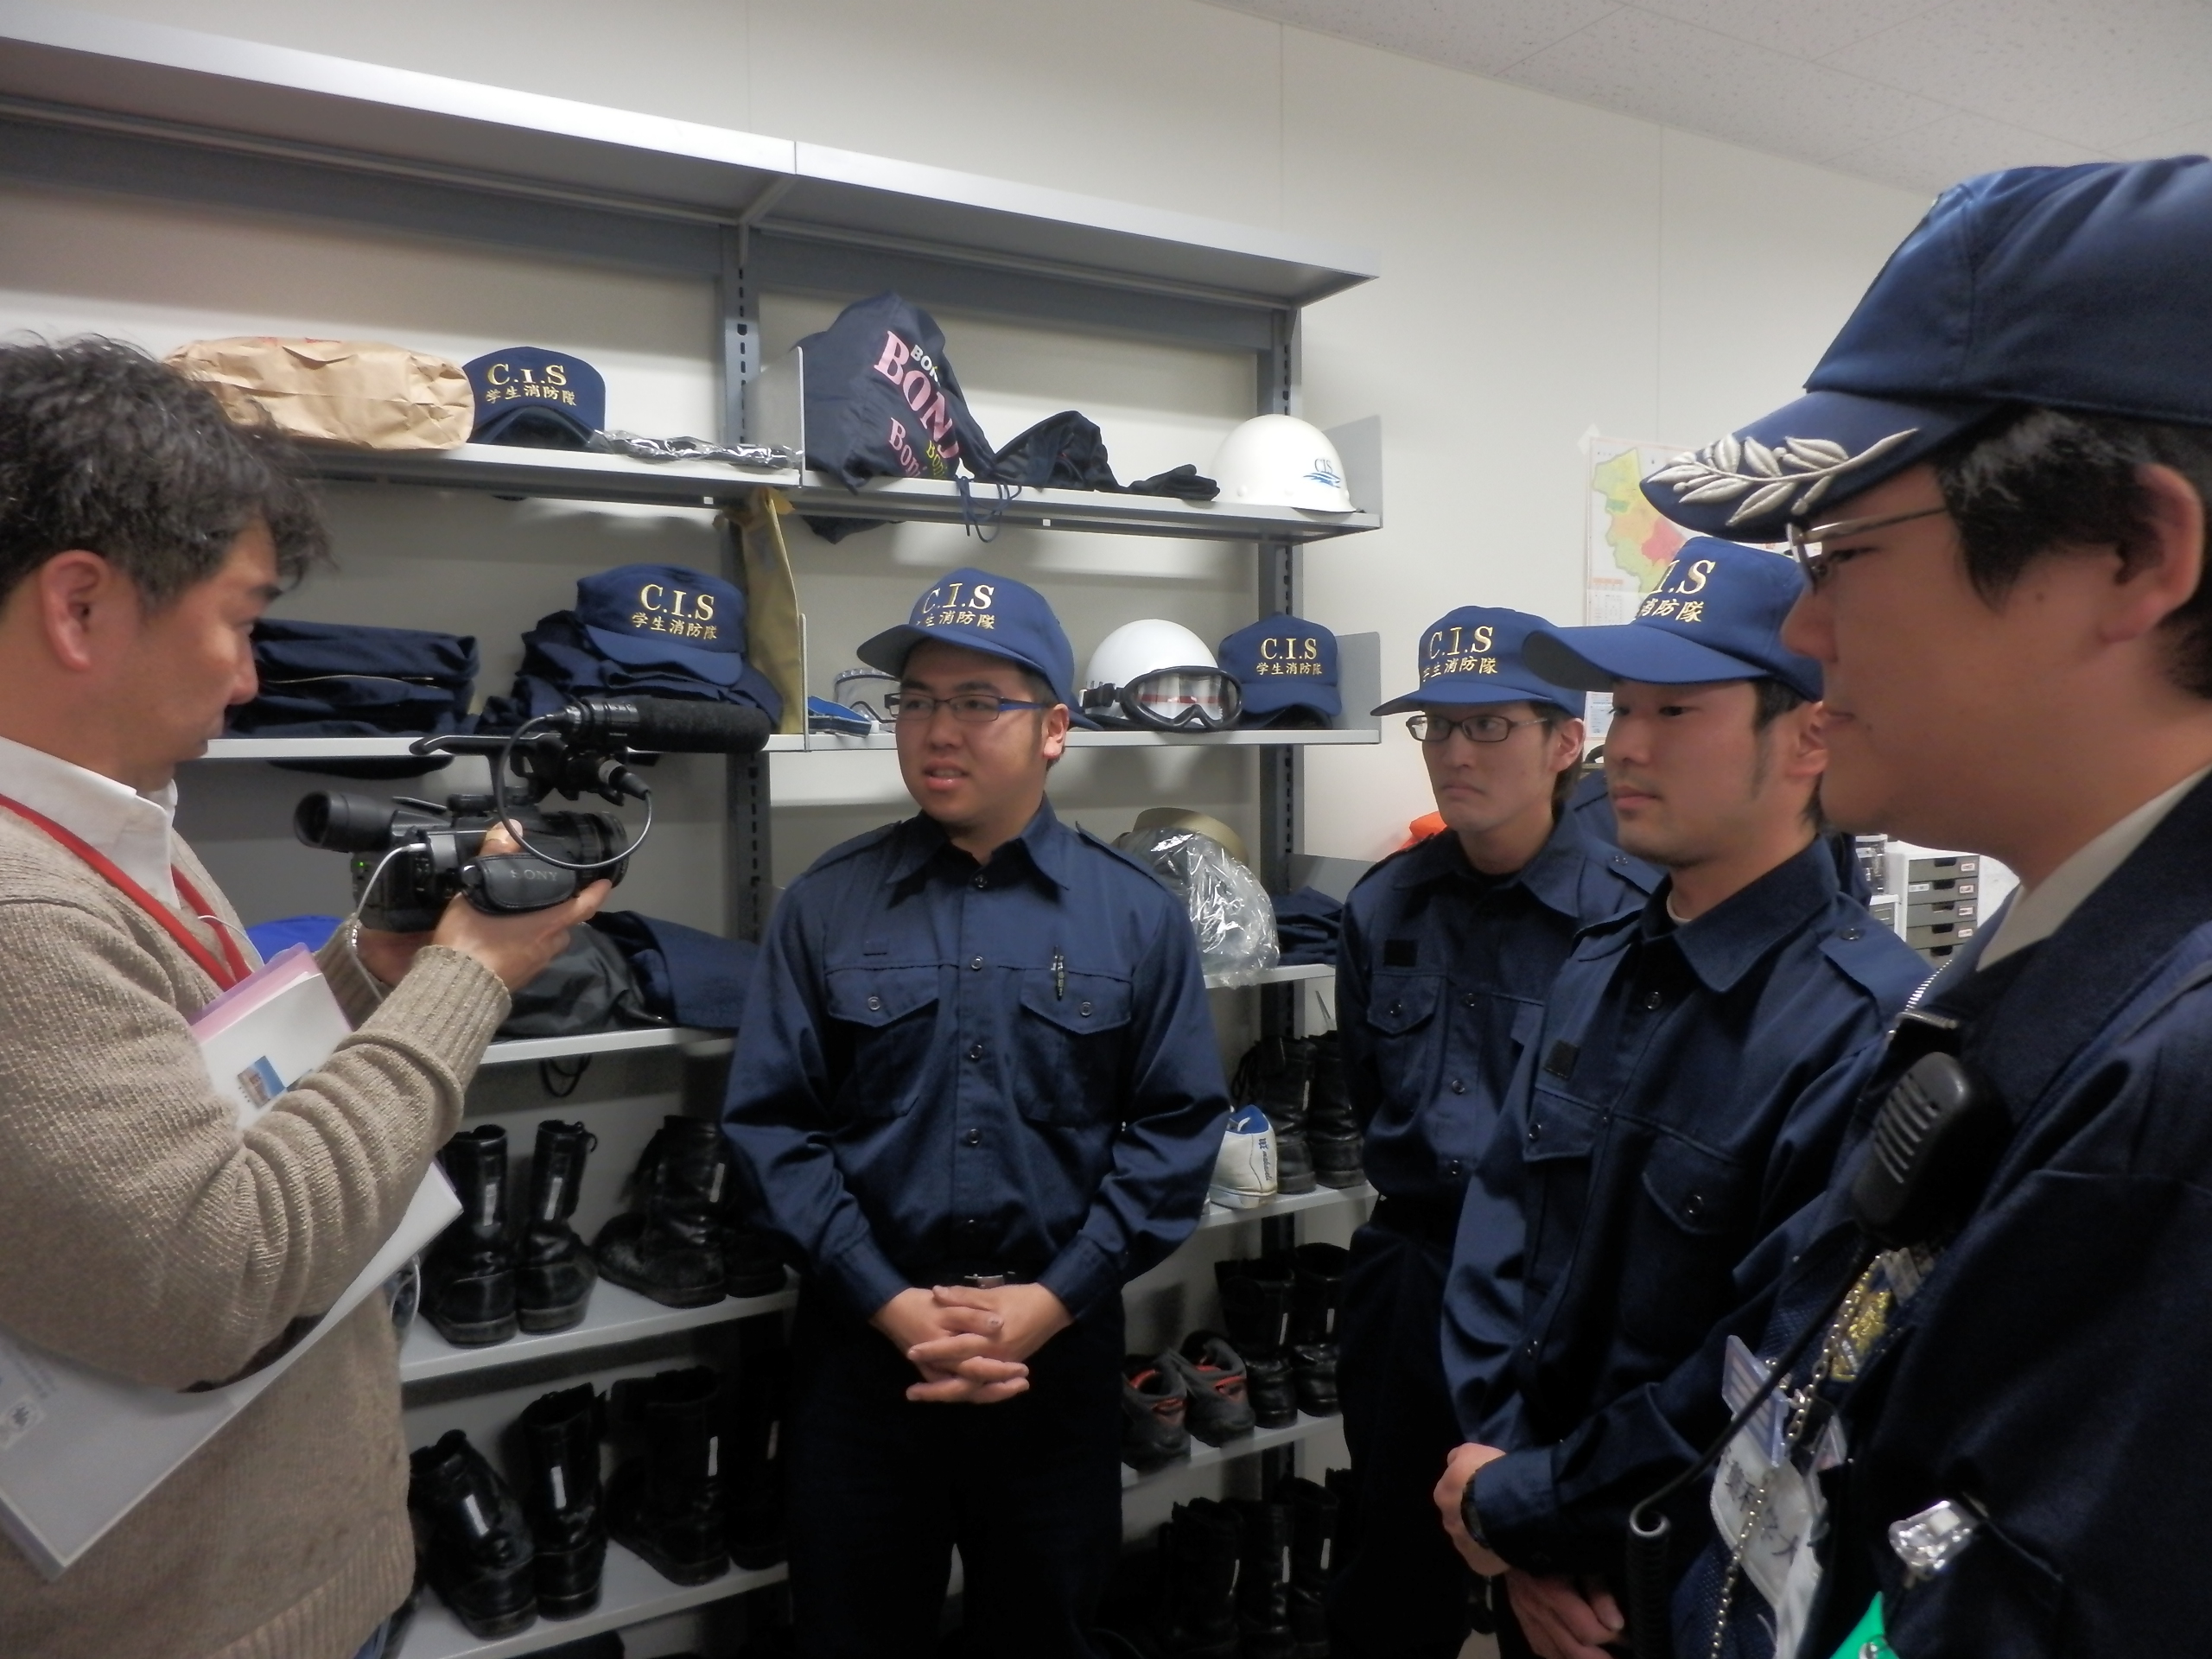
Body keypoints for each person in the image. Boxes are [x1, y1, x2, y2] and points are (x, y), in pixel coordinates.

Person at [1643, 156, 2212, 1659]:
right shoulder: (2054, 969)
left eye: (1843, 557)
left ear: (2132, 553)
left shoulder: (2180, 1092)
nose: (1806, 626)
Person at [0, 338, 604, 1659]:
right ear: (81, 607)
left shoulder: (102, 834)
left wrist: (370, 972)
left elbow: (207, 1099)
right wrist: (465, 982)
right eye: (240, 621)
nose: (251, 678)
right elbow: (219, 1277)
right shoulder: (17, 911)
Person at [1429, 541, 1925, 1659]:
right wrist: (1511, 1503)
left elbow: (1771, 1378)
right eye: (1622, 707)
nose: (1628, 745)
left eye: (1676, 710)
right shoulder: (1600, 962)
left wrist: (1528, 1507)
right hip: (1535, 1540)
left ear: (1808, 737)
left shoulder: (1862, 1029)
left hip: (1699, 1588)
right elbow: (1499, 1233)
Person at [721, 568, 1230, 1657]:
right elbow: (770, 1129)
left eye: (975, 702)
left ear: (1054, 729)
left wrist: (1051, 1301)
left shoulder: (1135, 918)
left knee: (1042, 1633)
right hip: (865, 1360)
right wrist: (892, 1306)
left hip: (1055, 1357)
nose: (936, 730)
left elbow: (1175, 1134)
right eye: (916, 700)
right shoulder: (824, 904)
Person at [1327, 607, 1656, 1658]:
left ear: (1566, 744)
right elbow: (1366, 1086)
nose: (1454, 754)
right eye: (1436, 727)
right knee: (1391, 1572)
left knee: (1558, 1585)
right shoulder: (1383, 905)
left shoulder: (1632, 917)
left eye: (1489, 727)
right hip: (1413, 1273)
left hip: (1560, 1294)